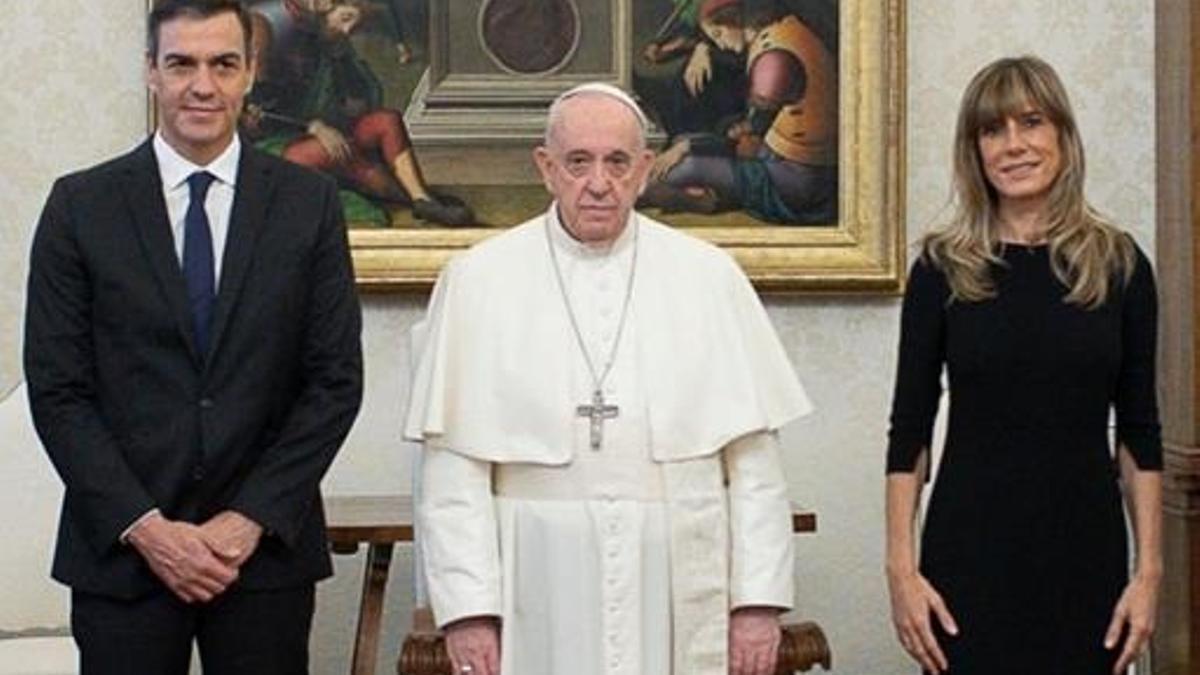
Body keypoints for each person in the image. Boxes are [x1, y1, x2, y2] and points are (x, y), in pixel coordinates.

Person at [406, 82, 812, 675]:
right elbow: (453, 476)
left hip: (678, 575)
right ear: (546, 168)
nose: (599, 183)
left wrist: (756, 603)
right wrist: (468, 613)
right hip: (533, 582)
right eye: (578, 162)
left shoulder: (708, 278)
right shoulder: (478, 280)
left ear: (645, 169)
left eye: (618, 162)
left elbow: (755, 469)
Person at [23, 1, 363, 672]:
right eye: (181, 63)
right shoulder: (80, 206)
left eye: (222, 64)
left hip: (263, 559)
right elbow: (60, 391)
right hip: (122, 557)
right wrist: (149, 529)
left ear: (250, 72)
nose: (201, 85)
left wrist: (245, 521)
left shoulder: (308, 204)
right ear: (151, 70)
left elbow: (333, 383)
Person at [884, 56, 1162, 675]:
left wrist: (1149, 573)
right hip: (968, 561)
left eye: (1031, 122)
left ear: (1062, 133)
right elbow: (909, 431)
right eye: (992, 129)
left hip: (1085, 559)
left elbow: (1141, 429)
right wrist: (901, 570)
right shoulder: (941, 268)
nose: (1014, 145)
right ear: (974, 149)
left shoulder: (1120, 266)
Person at [244, 0, 473, 226]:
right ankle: (411, 200)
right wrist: (313, 126)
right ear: (324, 13)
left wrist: (343, 65)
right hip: (280, 143)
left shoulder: (337, 49)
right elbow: (264, 109)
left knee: (387, 121)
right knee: (338, 149)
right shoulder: (290, 45)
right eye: (344, 19)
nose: (347, 30)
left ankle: (421, 197)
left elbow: (364, 95)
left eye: (354, 26)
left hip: (332, 129)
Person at [640, 0, 837, 224]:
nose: (718, 44)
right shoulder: (783, 32)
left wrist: (688, 148)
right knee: (683, 144)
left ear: (733, 20)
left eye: (717, 33)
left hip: (794, 181)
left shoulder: (773, 61)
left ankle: (640, 192)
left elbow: (748, 142)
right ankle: (696, 195)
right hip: (782, 161)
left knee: (685, 167)